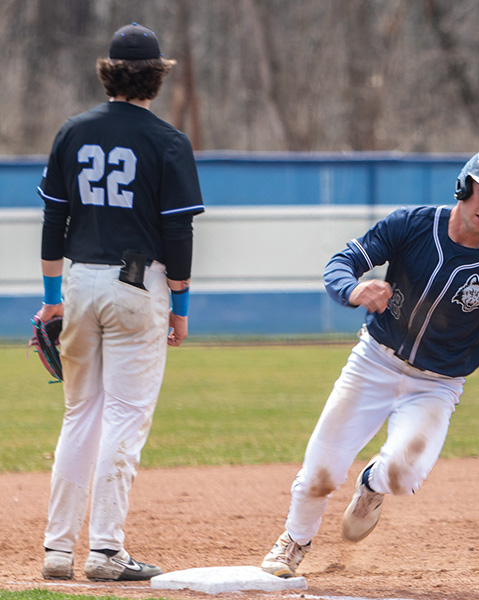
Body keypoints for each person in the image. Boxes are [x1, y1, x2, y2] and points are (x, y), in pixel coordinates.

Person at [260, 146, 479, 578]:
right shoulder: (412, 224)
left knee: (403, 475)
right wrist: (352, 290)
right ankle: (293, 542)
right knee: (319, 472)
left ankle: (373, 484)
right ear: (465, 185)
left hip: (437, 384)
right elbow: (344, 262)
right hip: (374, 362)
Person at [36, 23, 204, 582]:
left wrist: (50, 299)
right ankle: (106, 551)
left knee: (80, 415)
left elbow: (54, 219)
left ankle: (58, 549)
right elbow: (178, 234)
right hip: (139, 285)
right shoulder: (168, 141)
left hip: (80, 280)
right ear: (156, 77)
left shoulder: (72, 131)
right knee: (125, 417)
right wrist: (180, 305)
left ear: (108, 71)